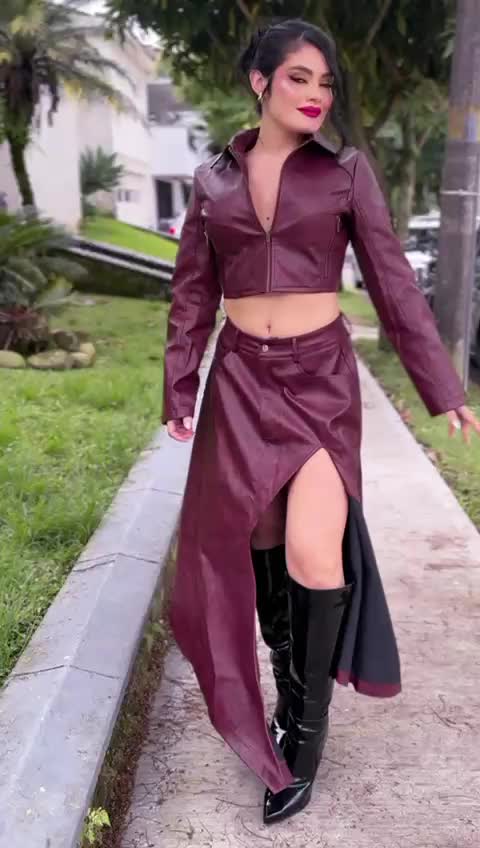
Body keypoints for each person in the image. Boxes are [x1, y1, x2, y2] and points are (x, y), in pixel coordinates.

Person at [162, 19, 480, 825]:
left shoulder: (344, 172)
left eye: (326, 83)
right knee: (262, 551)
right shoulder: (212, 181)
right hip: (241, 383)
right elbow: (193, 292)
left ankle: (303, 742)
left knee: (313, 552)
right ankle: (286, 695)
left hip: (319, 385)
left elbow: (393, 283)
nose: (315, 95)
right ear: (260, 82)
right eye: (299, 78)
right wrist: (180, 387)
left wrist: (441, 387)